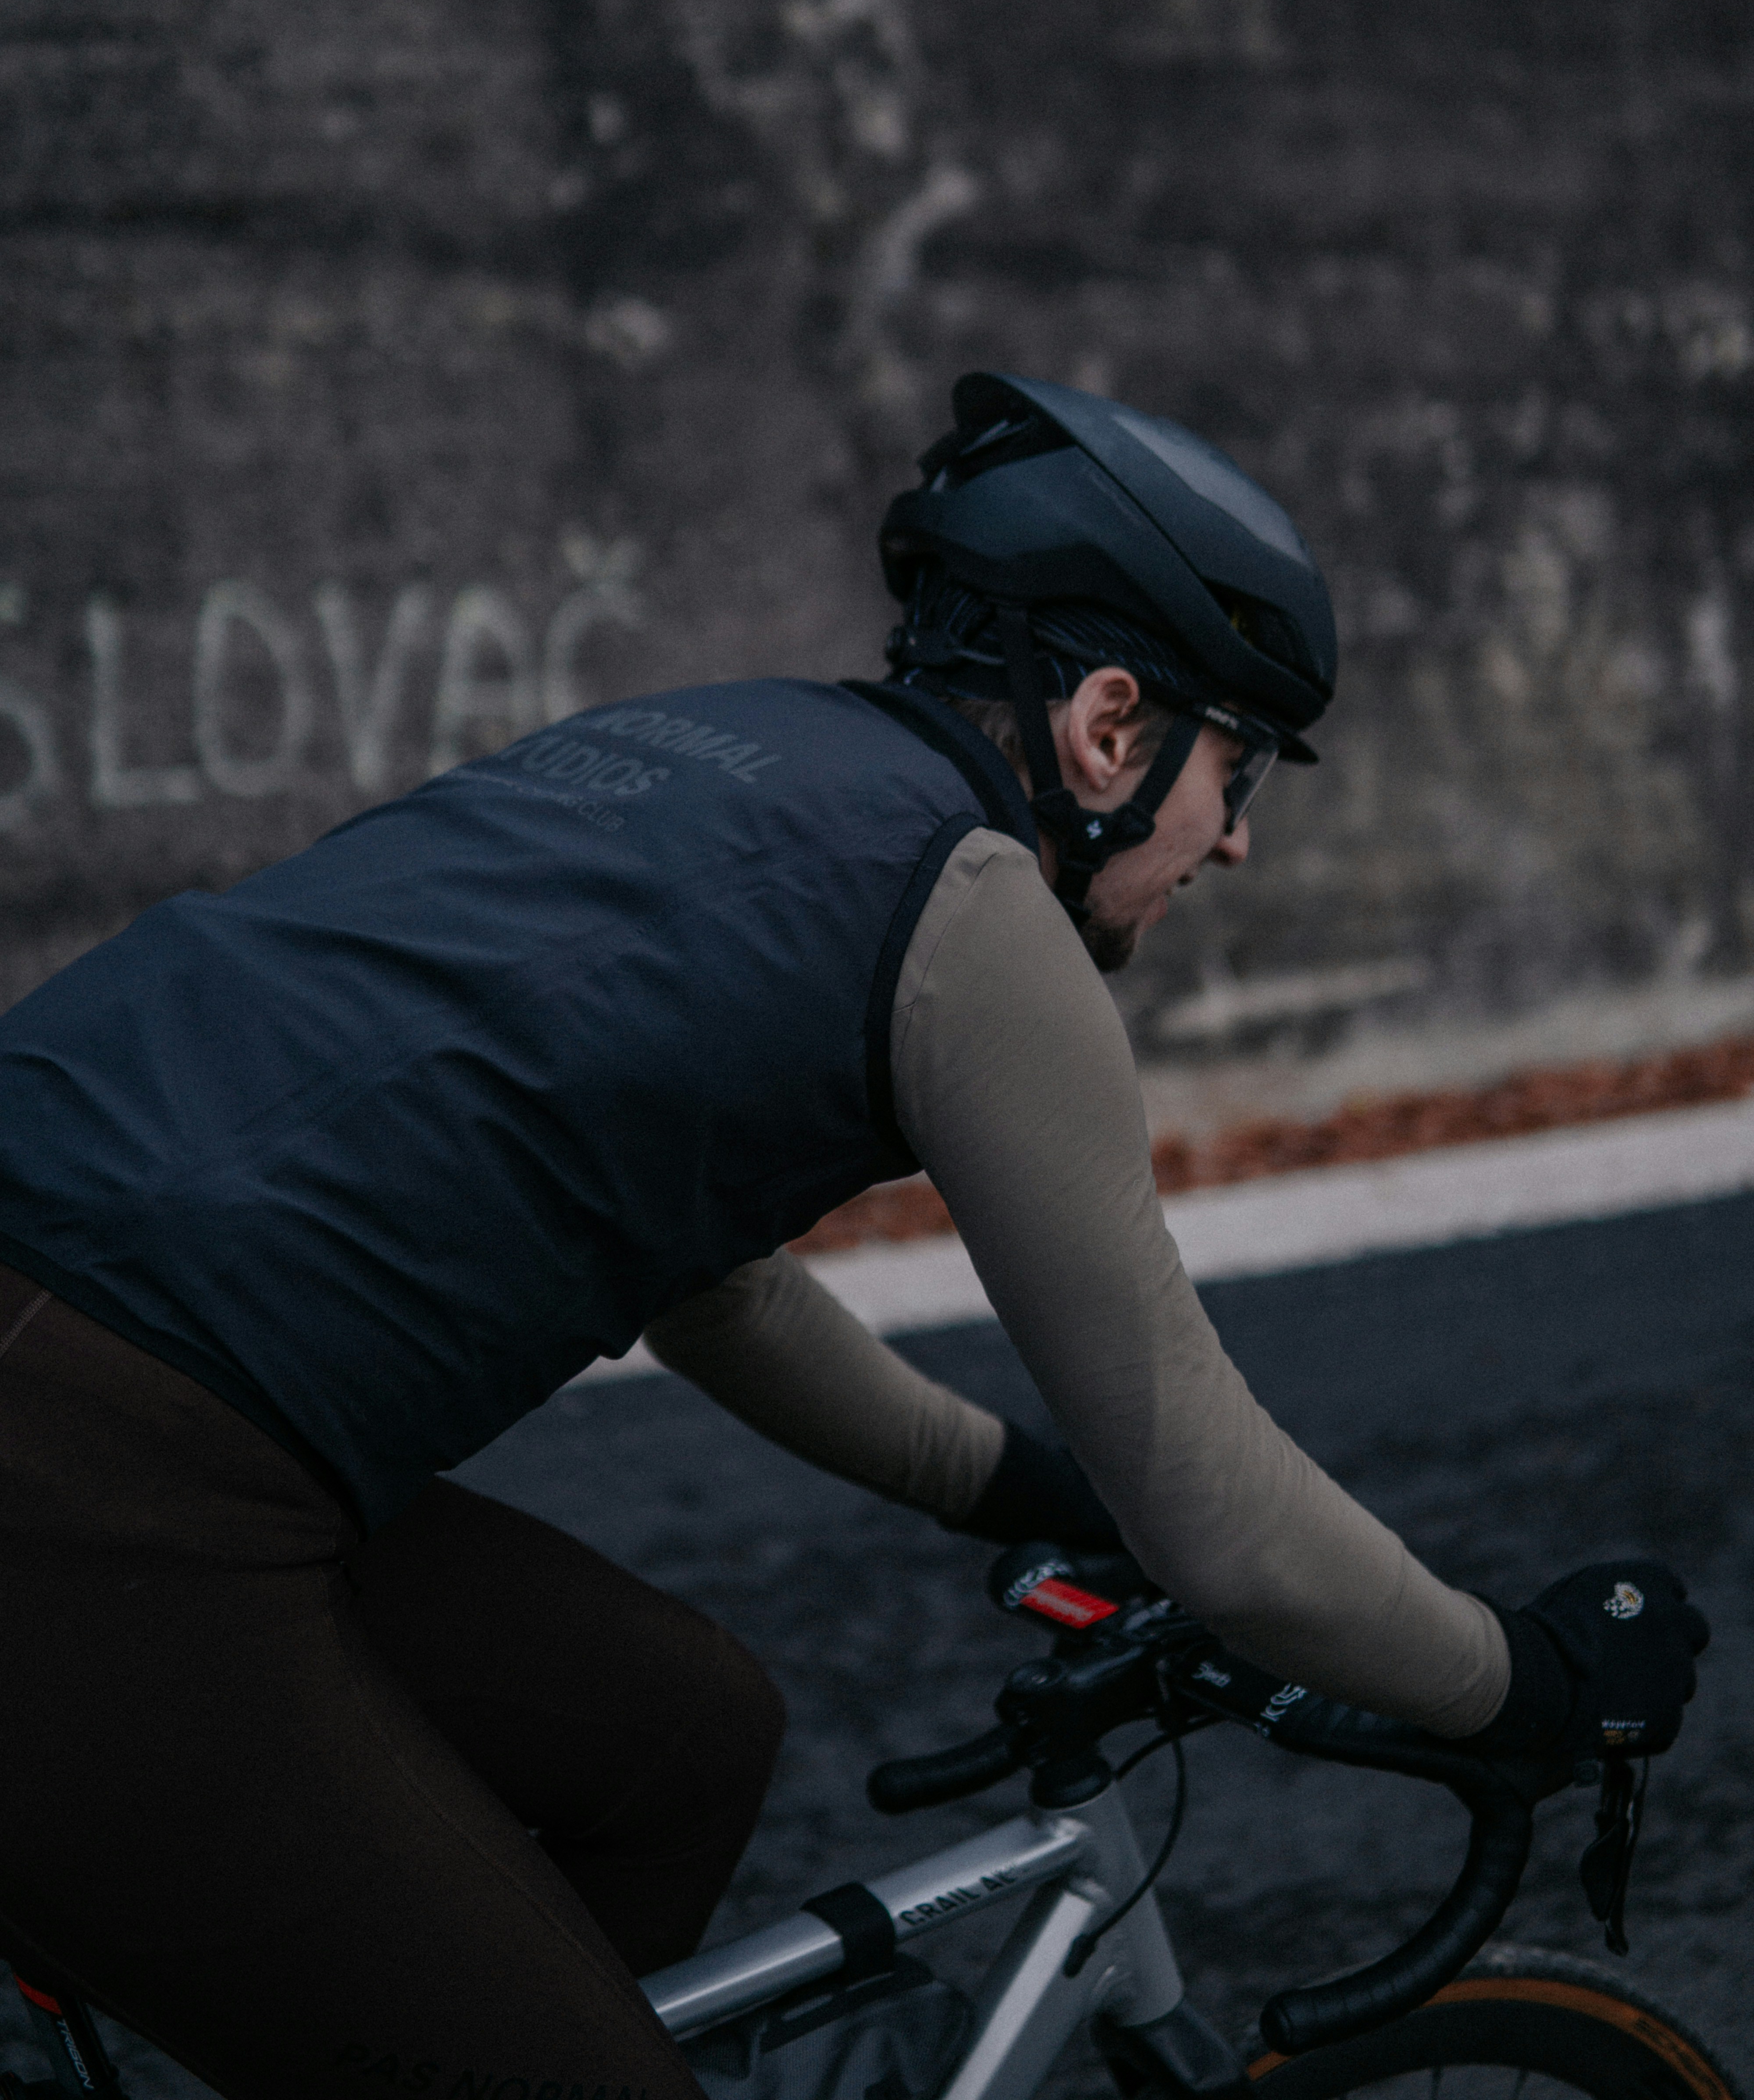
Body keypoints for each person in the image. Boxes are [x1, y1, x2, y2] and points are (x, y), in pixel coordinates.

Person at [0, 371, 1706, 2100]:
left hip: (113, 1401)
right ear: (1110, 729)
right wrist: (1528, 1684)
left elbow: (718, 1290)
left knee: (676, 1739)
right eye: (1236, 763)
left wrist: (1019, 1486)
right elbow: (1221, 1522)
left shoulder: (724, 746)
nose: (1240, 836)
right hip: (106, 1490)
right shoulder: (970, 910)